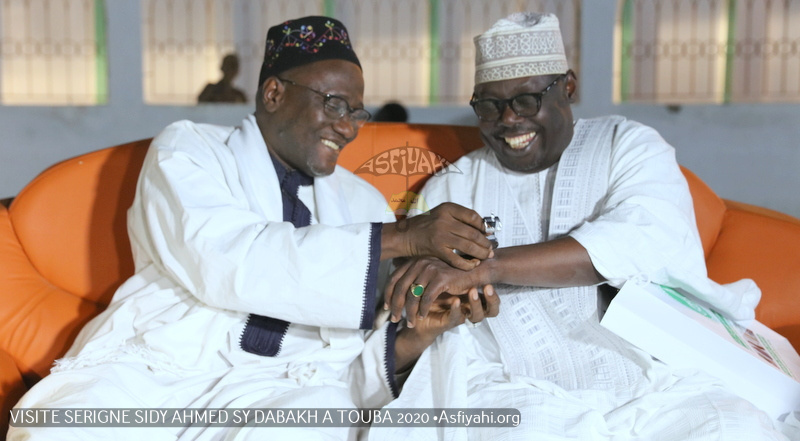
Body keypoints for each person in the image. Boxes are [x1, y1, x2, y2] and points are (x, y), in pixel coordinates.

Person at [7, 16, 499, 441]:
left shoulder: (362, 202)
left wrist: (420, 328)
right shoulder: (189, 151)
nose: (348, 127)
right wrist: (402, 235)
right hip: (160, 369)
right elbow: (226, 259)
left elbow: (358, 351)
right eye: (334, 104)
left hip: (281, 390)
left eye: (355, 112)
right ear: (273, 93)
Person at [373, 12, 788, 441]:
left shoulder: (625, 145)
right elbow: (407, 300)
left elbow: (644, 237)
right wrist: (428, 300)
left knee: (735, 426)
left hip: (658, 385)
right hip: (516, 392)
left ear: (567, 87)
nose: (509, 120)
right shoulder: (451, 189)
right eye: (489, 106)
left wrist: (487, 267)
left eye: (526, 100)